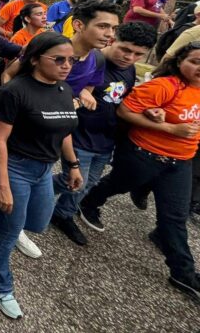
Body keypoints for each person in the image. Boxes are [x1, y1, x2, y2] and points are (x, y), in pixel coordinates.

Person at [0, 32, 83, 319]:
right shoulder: (14, 91)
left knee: (36, 221)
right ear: (35, 59)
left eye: (71, 59)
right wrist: (3, 185)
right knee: (10, 229)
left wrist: (72, 165)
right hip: (14, 165)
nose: (66, 65)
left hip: (44, 167)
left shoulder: (64, 89)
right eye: (58, 59)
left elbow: (64, 130)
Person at [80, 42, 200, 303]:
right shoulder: (165, 85)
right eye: (195, 61)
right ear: (180, 62)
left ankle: (183, 272)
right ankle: (89, 202)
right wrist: (168, 128)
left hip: (181, 161)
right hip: (144, 155)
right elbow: (125, 110)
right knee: (115, 185)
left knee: (175, 217)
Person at [49, 22, 156, 244]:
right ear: (112, 39)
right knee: (77, 179)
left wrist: (147, 109)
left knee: (89, 182)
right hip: (80, 134)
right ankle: (53, 206)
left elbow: (122, 97)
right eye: (125, 49)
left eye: (138, 54)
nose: (129, 57)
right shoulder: (91, 62)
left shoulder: (129, 69)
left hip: (106, 138)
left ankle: (55, 205)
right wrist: (79, 93)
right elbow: (60, 86)